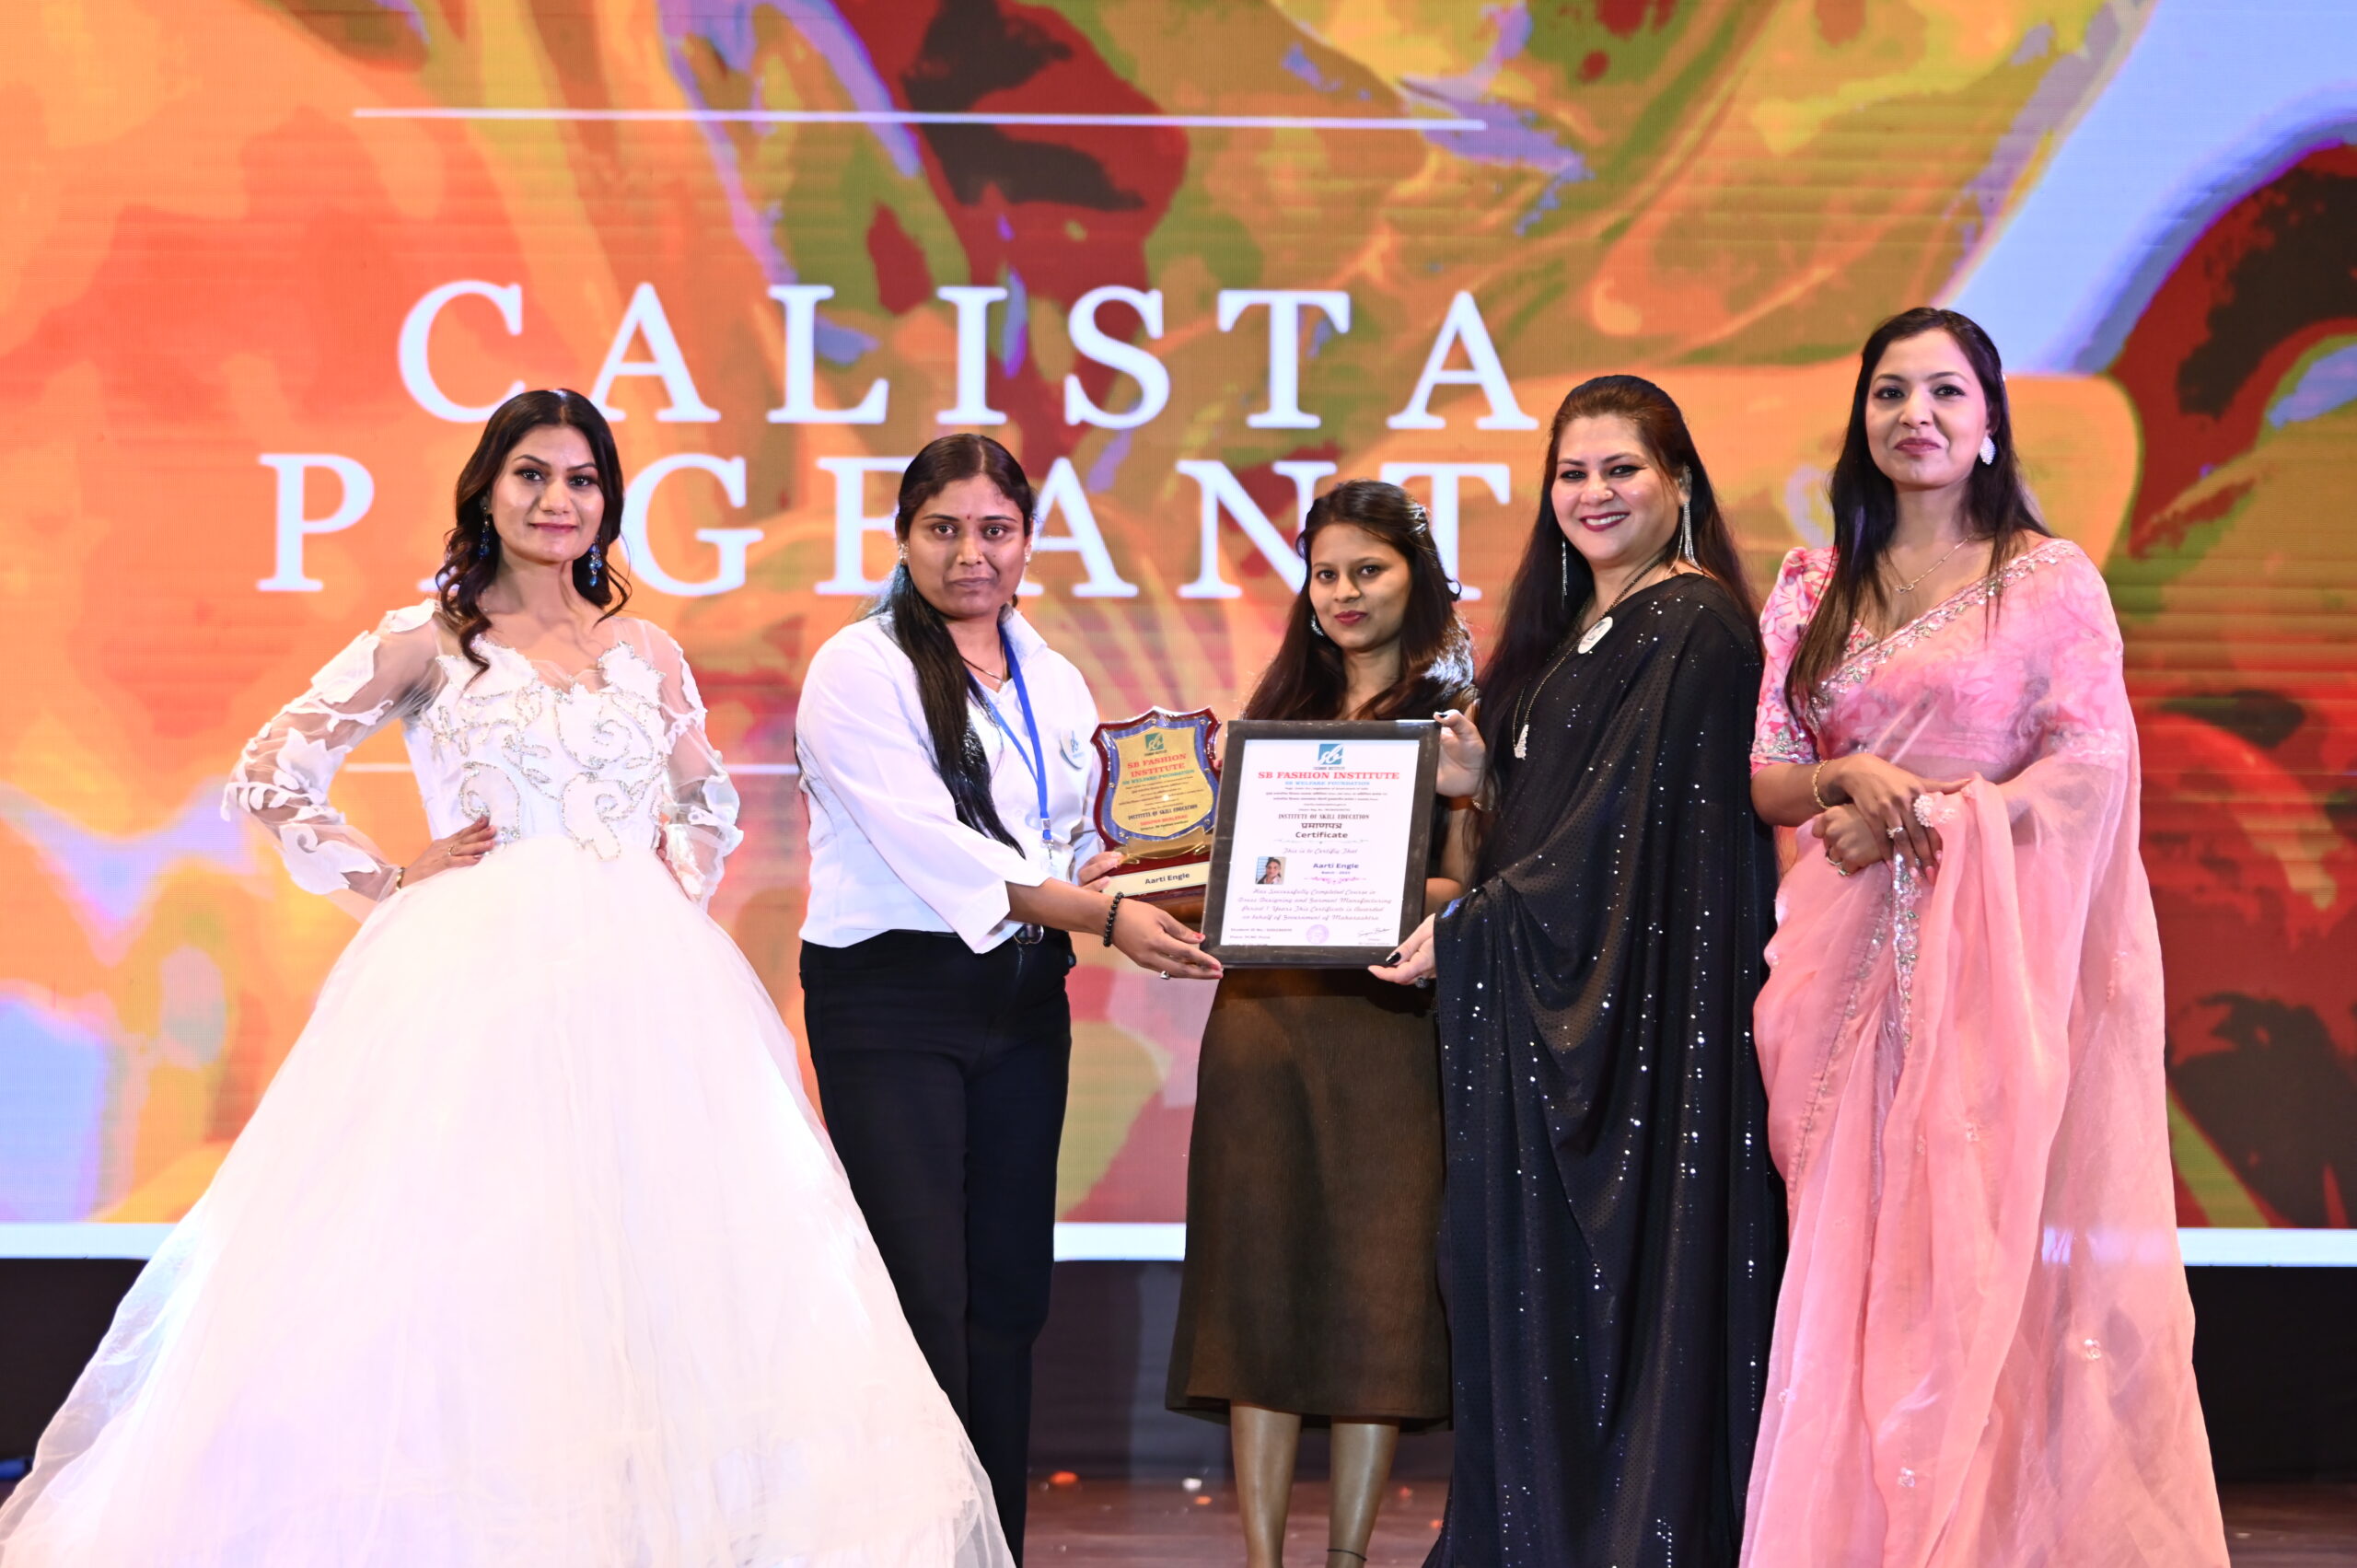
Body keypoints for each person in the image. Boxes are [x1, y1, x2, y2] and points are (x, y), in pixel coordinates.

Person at [0, 390, 1011, 1567]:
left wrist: (658, 884)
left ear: (607, 503)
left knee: (667, 1262)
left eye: (581, 479)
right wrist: (390, 880)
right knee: (480, 1253)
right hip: (477, 981)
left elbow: (708, 797)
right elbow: (272, 770)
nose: (556, 500)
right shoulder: (427, 640)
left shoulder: (645, 650)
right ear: (486, 487)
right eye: (532, 474)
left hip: (644, 988)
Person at [1741, 308, 2227, 1566]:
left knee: (1974, 1255)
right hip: (1837, 974)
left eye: (1945, 391)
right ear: (1861, 416)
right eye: (1890, 391)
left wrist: (1935, 817)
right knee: (1848, 1268)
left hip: (1985, 970)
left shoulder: (2048, 581)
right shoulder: (1811, 585)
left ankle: (1968, 1540)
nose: (1916, 414)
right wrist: (1845, 777)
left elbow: (2092, 766)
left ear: (1991, 419)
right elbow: (1769, 774)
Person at [1376, 376, 1786, 1565]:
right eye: (1573, 472)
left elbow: (1624, 840)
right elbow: (1569, 818)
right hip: (1564, 1024)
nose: (1594, 493)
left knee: (1621, 1304)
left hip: (1643, 1047)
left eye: (1622, 469)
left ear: (1679, 482)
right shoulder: (1575, 632)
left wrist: (1475, 923)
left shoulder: (1695, 624)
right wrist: (1484, 787)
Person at [793, 433, 1219, 1562]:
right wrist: (1107, 917)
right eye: (943, 529)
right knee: (923, 1293)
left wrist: (1160, 870)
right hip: (890, 999)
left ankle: (993, 1546)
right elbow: (942, 851)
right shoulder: (857, 667)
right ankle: (908, 1545)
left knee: (1010, 1295)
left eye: (994, 529)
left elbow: (1066, 843)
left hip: (1023, 995)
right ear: (902, 538)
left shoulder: (1053, 676)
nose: (970, 553)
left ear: (1028, 539)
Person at [1161, 480, 1474, 1568]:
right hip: (1266, 1021)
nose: (1342, 592)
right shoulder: (1276, 714)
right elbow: (1231, 877)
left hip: (1389, 1027)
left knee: (1376, 1294)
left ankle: (1345, 1555)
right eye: (1325, 572)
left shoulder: (1458, 720)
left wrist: (1378, 886)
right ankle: (1262, 1557)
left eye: (1367, 569)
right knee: (1254, 1288)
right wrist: (1153, 871)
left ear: (1415, 577)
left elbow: (1471, 885)